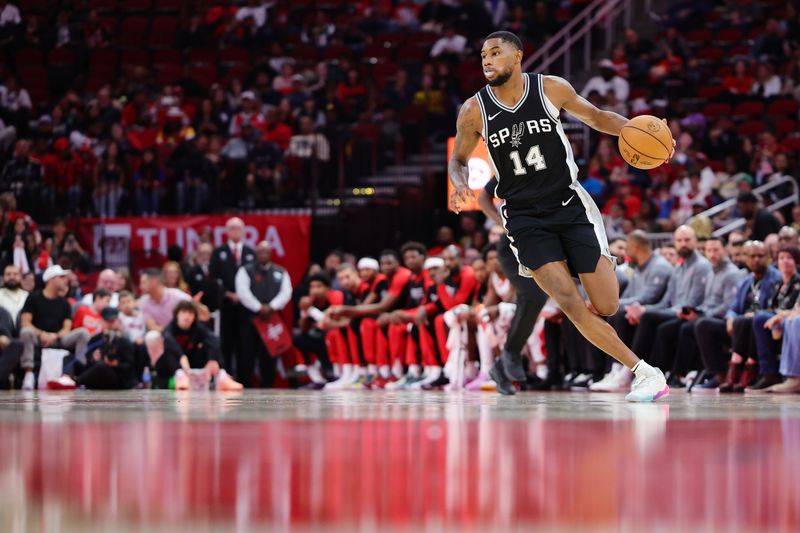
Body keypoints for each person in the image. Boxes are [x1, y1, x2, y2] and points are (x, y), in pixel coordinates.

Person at [449, 31, 674, 401]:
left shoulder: (550, 88)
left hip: (569, 206)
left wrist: (647, 133)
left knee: (606, 305)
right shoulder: (474, 110)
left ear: (518, 56)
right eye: (482, 55)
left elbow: (598, 117)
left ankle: (584, 260)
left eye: (495, 52)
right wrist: (459, 182)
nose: (486, 60)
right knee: (570, 303)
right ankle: (645, 373)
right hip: (524, 218)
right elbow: (458, 158)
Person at [476, 178, 549, 394]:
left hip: (541, 242)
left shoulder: (557, 163)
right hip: (513, 245)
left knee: (533, 301)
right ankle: (509, 357)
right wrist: (503, 224)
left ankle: (503, 364)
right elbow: (483, 197)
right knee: (534, 296)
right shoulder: (510, 159)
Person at [590, 230, 674, 392]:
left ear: (635, 247)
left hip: (654, 312)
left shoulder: (660, 266)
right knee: (613, 314)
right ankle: (613, 370)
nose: (626, 253)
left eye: (627, 248)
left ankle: (625, 372)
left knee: (619, 313)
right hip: (637, 313)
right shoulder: (640, 268)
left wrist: (617, 305)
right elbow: (629, 297)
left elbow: (647, 298)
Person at [19, 265, 90, 390]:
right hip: (38, 337)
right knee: (25, 332)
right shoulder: (33, 298)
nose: (65, 280)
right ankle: (28, 373)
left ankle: (80, 375)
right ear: (51, 279)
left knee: (83, 333)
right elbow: (25, 323)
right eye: (62, 277)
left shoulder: (65, 303)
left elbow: (67, 328)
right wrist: (42, 334)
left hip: (58, 338)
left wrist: (54, 336)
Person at [234, 241, 292, 388]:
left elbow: (286, 292)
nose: (263, 254)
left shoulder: (281, 272)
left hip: (272, 319)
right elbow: (243, 292)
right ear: (255, 253)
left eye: (266, 251)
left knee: (270, 354)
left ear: (271, 253)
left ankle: (268, 386)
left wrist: (272, 307)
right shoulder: (245, 270)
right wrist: (259, 307)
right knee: (247, 353)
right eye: (260, 251)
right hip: (250, 319)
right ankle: (245, 386)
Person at [162, 301, 242, 391]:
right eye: (184, 312)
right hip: (175, 366)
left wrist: (212, 359)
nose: (187, 316)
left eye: (190, 313)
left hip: (193, 362)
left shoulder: (197, 327)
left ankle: (221, 376)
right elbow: (168, 339)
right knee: (168, 347)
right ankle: (180, 377)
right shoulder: (170, 328)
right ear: (177, 314)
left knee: (211, 344)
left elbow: (214, 339)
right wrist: (181, 356)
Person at [210, 217, 255, 373]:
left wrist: (243, 295)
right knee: (226, 343)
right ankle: (225, 376)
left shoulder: (250, 253)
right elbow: (214, 278)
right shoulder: (218, 252)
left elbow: (255, 279)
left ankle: (245, 380)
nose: (235, 231)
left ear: (243, 231)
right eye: (232, 228)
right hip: (226, 305)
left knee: (245, 343)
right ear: (227, 232)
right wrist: (228, 294)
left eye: (238, 228)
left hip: (246, 306)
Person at [74, 307, 136, 390]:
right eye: (107, 321)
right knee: (72, 359)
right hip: (97, 379)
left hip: (118, 380)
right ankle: (72, 379)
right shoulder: (95, 340)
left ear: (117, 321)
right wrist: (93, 359)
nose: (110, 324)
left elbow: (130, 366)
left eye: (113, 321)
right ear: (101, 321)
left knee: (101, 366)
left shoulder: (124, 341)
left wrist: (116, 364)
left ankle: (75, 382)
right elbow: (88, 364)